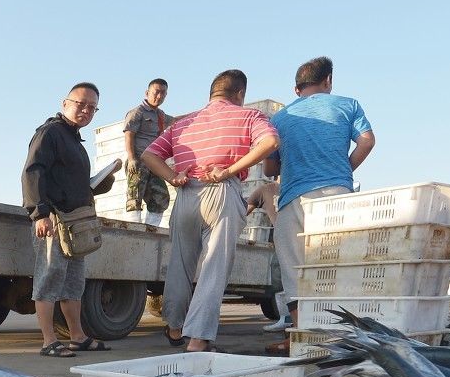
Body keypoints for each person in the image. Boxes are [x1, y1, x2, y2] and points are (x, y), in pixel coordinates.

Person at [141, 70, 278, 352]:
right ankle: (198, 339)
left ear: (212, 93)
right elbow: (270, 142)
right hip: (221, 188)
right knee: (213, 268)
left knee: (180, 264)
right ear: (239, 94)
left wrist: (171, 176)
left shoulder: (183, 123)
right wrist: (229, 170)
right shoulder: (248, 116)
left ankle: (176, 328)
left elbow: (149, 154)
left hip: (185, 193)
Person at [263, 57, 375, 354]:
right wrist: (344, 170)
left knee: (294, 270)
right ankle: (338, 337)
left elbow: (268, 168)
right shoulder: (348, 104)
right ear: (328, 81)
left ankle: (301, 337)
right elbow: (367, 141)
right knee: (335, 267)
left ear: (296, 88)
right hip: (336, 195)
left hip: (293, 198)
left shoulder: (280, 117)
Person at [22, 83, 111, 358]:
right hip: (55, 219)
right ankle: (49, 341)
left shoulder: (74, 139)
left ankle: (77, 336)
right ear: (65, 103)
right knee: (49, 279)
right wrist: (40, 213)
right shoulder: (49, 133)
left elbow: (68, 180)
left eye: (92, 107)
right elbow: (33, 171)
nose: (85, 110)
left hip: (76, 223)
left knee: (73, 283)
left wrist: (98, 185)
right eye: (80, 103)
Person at [123, 78, 173, 227]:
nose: (159, 96)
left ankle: (152, 228)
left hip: (154, 162)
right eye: (156, 92)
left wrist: (197, 115)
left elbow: (174, 121)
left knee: (160, 195)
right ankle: (134, 228)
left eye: (163, 93)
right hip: (138, 159)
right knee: (135, 192)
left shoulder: (160, 115)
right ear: (147, 93)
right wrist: (131, 158)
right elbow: (129, 135)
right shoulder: (137, 112)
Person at [245, 178, 290, 333]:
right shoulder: (266, 190)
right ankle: (286, 318)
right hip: (282, 241)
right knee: (278, 278)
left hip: (305, 240)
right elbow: (245, 210)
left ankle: (299, 320)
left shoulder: (299, 185)